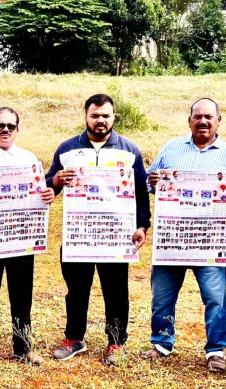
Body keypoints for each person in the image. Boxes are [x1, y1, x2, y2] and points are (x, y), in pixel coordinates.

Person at [144, 98, 226, 373]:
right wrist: (152, 182)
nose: (203, 121)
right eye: (198, 116)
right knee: (162, 296)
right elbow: (147, 181)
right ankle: (161, 343)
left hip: (210, 241)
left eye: (209, 117)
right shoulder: (171, 148)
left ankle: (216, 350)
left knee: (215, 297)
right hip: (172, 239)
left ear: (219, 121)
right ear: (189, 120)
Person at [45, 94, 151, 366]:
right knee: (76, 289)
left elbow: (141, 192)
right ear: (86, 117)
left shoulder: (129, 151)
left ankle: (116, 341)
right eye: (95, 115)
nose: (100, 120)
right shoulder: (67, 149)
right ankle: (74, 338)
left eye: (105, 115)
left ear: (114, 117)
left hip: (115, 235)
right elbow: (50, 184)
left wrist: (142, 225)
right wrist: (56, 179)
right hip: (79, 233)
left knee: (116, 290)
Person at [0, 107, 54, 365]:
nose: (5, 130)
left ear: (17, 130)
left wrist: (48, 195)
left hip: (21, 236)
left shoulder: (29, 158)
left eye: (11, 126)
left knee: (22, 294)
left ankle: (23, 346)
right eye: (0, 125)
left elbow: (40, 193)